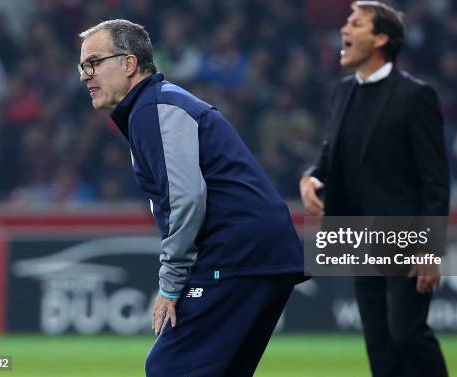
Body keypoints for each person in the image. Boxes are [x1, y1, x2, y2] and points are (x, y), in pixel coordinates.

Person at [78, 19, 305, 377]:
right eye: (83, 66)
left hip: (235, 255)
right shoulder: (159, 105)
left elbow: (186, 199)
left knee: (170, 368)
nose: (84, 75)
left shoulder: (154, 109)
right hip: (262, 254)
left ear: (129, 63)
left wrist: (171, 283)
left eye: (93, 62)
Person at [299, 1, 449, 377]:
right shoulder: (342, 92)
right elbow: (330, 156)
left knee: (406, 333)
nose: (344, 30)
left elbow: (435, 179)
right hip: (358, 234)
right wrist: (311, 177)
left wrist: (430, 248)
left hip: (406, 237)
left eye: (356, 24)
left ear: (381, 38)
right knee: (378, 342)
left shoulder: (415, 96)